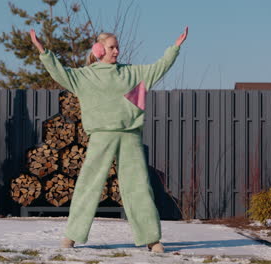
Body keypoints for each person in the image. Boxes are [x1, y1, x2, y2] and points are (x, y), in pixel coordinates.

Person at [30, 26, 188, 253]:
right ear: (99, 49)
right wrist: (43, 50)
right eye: (112, 47)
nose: (117, 51)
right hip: (101, 136)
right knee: (88, 185)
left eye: (117, 47)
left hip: (130, 136)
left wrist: (174, 48)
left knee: (139, 188)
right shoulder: (86, 76)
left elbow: (158, 68)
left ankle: (152, 240)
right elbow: (59, 72)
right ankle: (71, 237)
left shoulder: (132, 74)